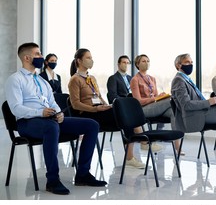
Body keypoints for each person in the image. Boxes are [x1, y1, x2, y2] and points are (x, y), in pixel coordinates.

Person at [5, 42, 107, 195]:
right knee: (51, 127)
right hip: (27, 122)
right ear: (27, 58)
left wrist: (59, 114)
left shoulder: (42, 81)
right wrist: (40, 113)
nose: (41, 57)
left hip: (49, 119)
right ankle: (52, 180)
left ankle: (83, 175)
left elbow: (52, 102)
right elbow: (15, 108)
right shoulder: (15, 80)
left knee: (91, 125)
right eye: (38, 54)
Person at [68, 48, 158, 169]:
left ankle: (134, 153)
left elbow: (99, 97)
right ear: (79, 61)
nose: (91, 60)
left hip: (99, 110)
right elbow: (75, 104)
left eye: (91, 58)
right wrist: (96, 109)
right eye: (88, 58)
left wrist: (106, 105)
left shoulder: (92, 78)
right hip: (88, 113)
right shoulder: (75, 79)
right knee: (126, 115)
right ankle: (142, 143)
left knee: (128, 116)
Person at [130, 54, 181, 153]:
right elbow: (138, 101)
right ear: (137, 64)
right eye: (143, 61)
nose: (146, 63)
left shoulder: (152, 78)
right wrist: (154, 99)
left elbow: (156, 96)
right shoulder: (135, 79)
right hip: (143, 109)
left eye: (148, 61)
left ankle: (177, 146)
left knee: (173, 111)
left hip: (154, 106)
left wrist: (161, 96)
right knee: (172, 100)